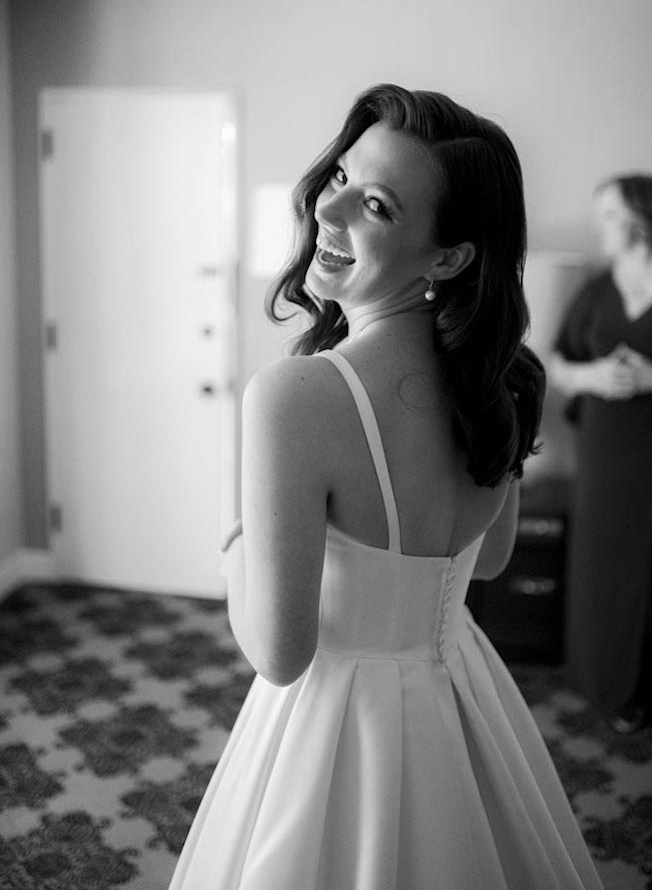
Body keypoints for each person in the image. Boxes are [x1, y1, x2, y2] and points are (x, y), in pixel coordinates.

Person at [167, 84, 604, 889]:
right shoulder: (505, 381)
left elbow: (279, 652)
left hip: (333, 726)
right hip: (460, 691)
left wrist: (236, 554)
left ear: (449, 256)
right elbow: (493, 558)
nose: (328, 216)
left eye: (375, 205)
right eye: (338, 179)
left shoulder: (296, 395)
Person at [549, 174, 652, 735]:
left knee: (650, 570)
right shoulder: (596, 289)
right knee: (601, 563)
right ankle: (598, 682)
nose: (600, 227)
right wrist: (593, 374)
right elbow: (555, 362)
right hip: (603, 450)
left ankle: (644, 692)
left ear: (641, 218)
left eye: (609, 215)